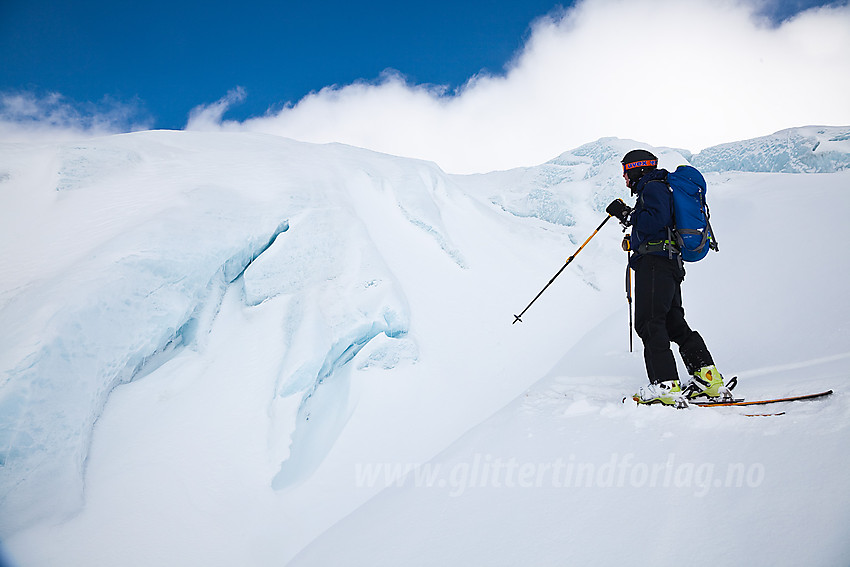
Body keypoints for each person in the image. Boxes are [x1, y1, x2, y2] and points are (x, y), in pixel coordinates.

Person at [606, 150, 728, 406]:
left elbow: (655, 219)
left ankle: (665, 385)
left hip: (655, 265)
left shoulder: (652, 187)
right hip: (669, 264)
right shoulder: (661, 187)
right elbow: (658, 222)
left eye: (626, 172)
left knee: (650, 323)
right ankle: (708, 379)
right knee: (674, 324)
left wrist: (627, 215)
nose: (625, 179)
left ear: (638, 169)